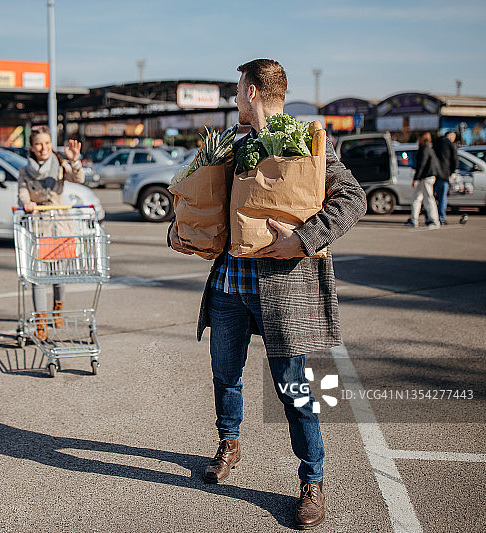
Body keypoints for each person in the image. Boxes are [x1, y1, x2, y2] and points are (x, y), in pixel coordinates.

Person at [168, 59, 366, 530]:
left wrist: (302, 240)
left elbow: (352, 198)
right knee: (225, 376)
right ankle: (228, 444)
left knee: (294, 392)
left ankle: (312, 482)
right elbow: (199, 201)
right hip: (229, 287)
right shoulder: (230, 144)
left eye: (238, 89)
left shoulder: (310, 144)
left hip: (282, 291)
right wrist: (177, 231)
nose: (235, 98)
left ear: (253, 92)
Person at [17, 126, 85, 340]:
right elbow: (21, 193)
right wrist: (27, 203)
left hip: (61, 226)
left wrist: (74, 161)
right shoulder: (24, 170)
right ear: (32, 147)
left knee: (59, 274)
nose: (43, 147)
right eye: (39, 143)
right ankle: (40, 323)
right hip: (38, 226)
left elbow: (79, 178)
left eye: (47, 143)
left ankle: (57, 308)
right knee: (38, 277)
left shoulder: (60, 164)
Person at [405, 132, 441, 228]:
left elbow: (421, 165)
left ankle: (434, 221)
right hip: (428, 176)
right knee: (418, 198)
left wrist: (416, 178)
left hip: (425, 177)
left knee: (427, 199)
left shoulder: (424, 149)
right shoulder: (430, 148)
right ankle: (414, 219)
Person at [432, 130, 458, 225]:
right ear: (451, 136)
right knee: (442, 197)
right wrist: (452, 171)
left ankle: (430, 216)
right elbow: (455, 159)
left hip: (433, 173)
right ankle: (441, 218)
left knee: (432, 197)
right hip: (444, 174)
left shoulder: (435, 143)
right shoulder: (450, 145)